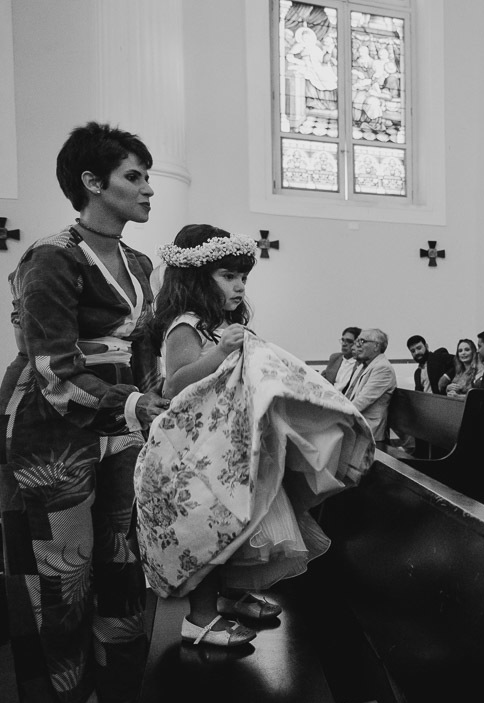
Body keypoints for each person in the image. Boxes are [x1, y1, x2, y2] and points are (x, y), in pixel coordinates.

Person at [0, 122, 169, 703]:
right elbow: (52, 368)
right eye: (135, 176)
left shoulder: (141, 263)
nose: (148, 188)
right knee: (64, 589)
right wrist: (130, 402)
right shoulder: (52, 257)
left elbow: (145, 351)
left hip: (120, 435)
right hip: (53, 440)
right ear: (92, 183)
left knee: (122, 576)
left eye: (148, 176)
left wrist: (156, 400)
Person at [137, 225, 373, 651]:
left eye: (243, 278)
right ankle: (200, 618)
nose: (239, 286)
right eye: (229, 276)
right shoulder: (185, 326)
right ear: (195, 279)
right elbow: (176, 386)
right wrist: (219, 352)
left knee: (242, 523)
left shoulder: (221, 323)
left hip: (225, 446)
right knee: (212, 526)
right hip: (194, 453)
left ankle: (229, 597)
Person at [344, 328, 396, 447]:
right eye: (357, 341)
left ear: (376, 346)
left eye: (362, 341)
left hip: (367, 430)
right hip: (356, 424)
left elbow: (361, 402)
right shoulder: (364, 365)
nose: (357, 345)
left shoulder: (383, 368)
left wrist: (334, 414)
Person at [321, 326, 361, 392]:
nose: (344, 344)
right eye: (343, 340)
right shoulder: (335, 358)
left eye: (349, 341)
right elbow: (324, 379)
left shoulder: (360, 363)